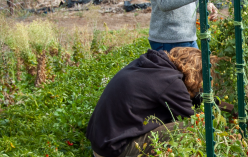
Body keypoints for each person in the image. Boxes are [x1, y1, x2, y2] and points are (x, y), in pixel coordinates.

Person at [86, 47, 223, 157]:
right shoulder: (171, 83)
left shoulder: (150, 65)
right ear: (195, 75)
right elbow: (193, 119)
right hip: (116, 151)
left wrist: (214, 103)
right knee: (191, 129)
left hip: (102, 144)